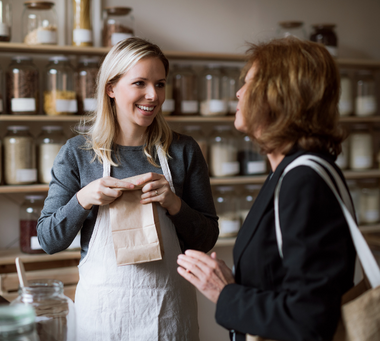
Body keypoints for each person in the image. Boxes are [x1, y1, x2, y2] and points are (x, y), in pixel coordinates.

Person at [36, 37, 219, 340]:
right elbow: (48, 239)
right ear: (111, 88)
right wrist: (84, 198)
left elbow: (207, 238)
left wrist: (174, 203)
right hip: (102, 319)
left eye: (160, 84)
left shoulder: (184, 150)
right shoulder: (78, 153)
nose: (152, 95)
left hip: (169, 316)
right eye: (140, 83)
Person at [177, 37, 356, 341]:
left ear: (276, 96)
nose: (238, 92)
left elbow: (309, 318)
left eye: (247, 83)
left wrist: (225, 293)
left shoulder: (303, 181)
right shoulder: (285, 173)